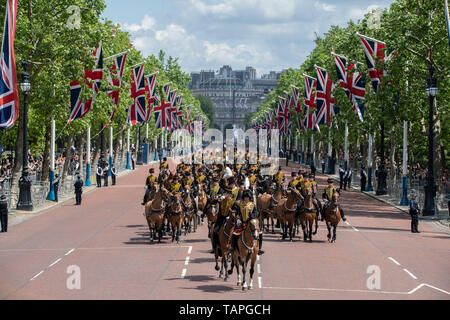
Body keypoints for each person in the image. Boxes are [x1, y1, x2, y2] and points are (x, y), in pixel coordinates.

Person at [230, 190, 264, 255]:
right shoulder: (239, 204)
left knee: (260, 232)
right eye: (245, 197)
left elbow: (255, 212)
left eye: (248, 197)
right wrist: (238, 219)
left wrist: (252, 217)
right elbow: (237, 212)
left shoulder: (252, 205)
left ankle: (259, 249)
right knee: (234, 233)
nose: (246, 198)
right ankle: (232, 248)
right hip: (242, 222)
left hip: (251, 223)